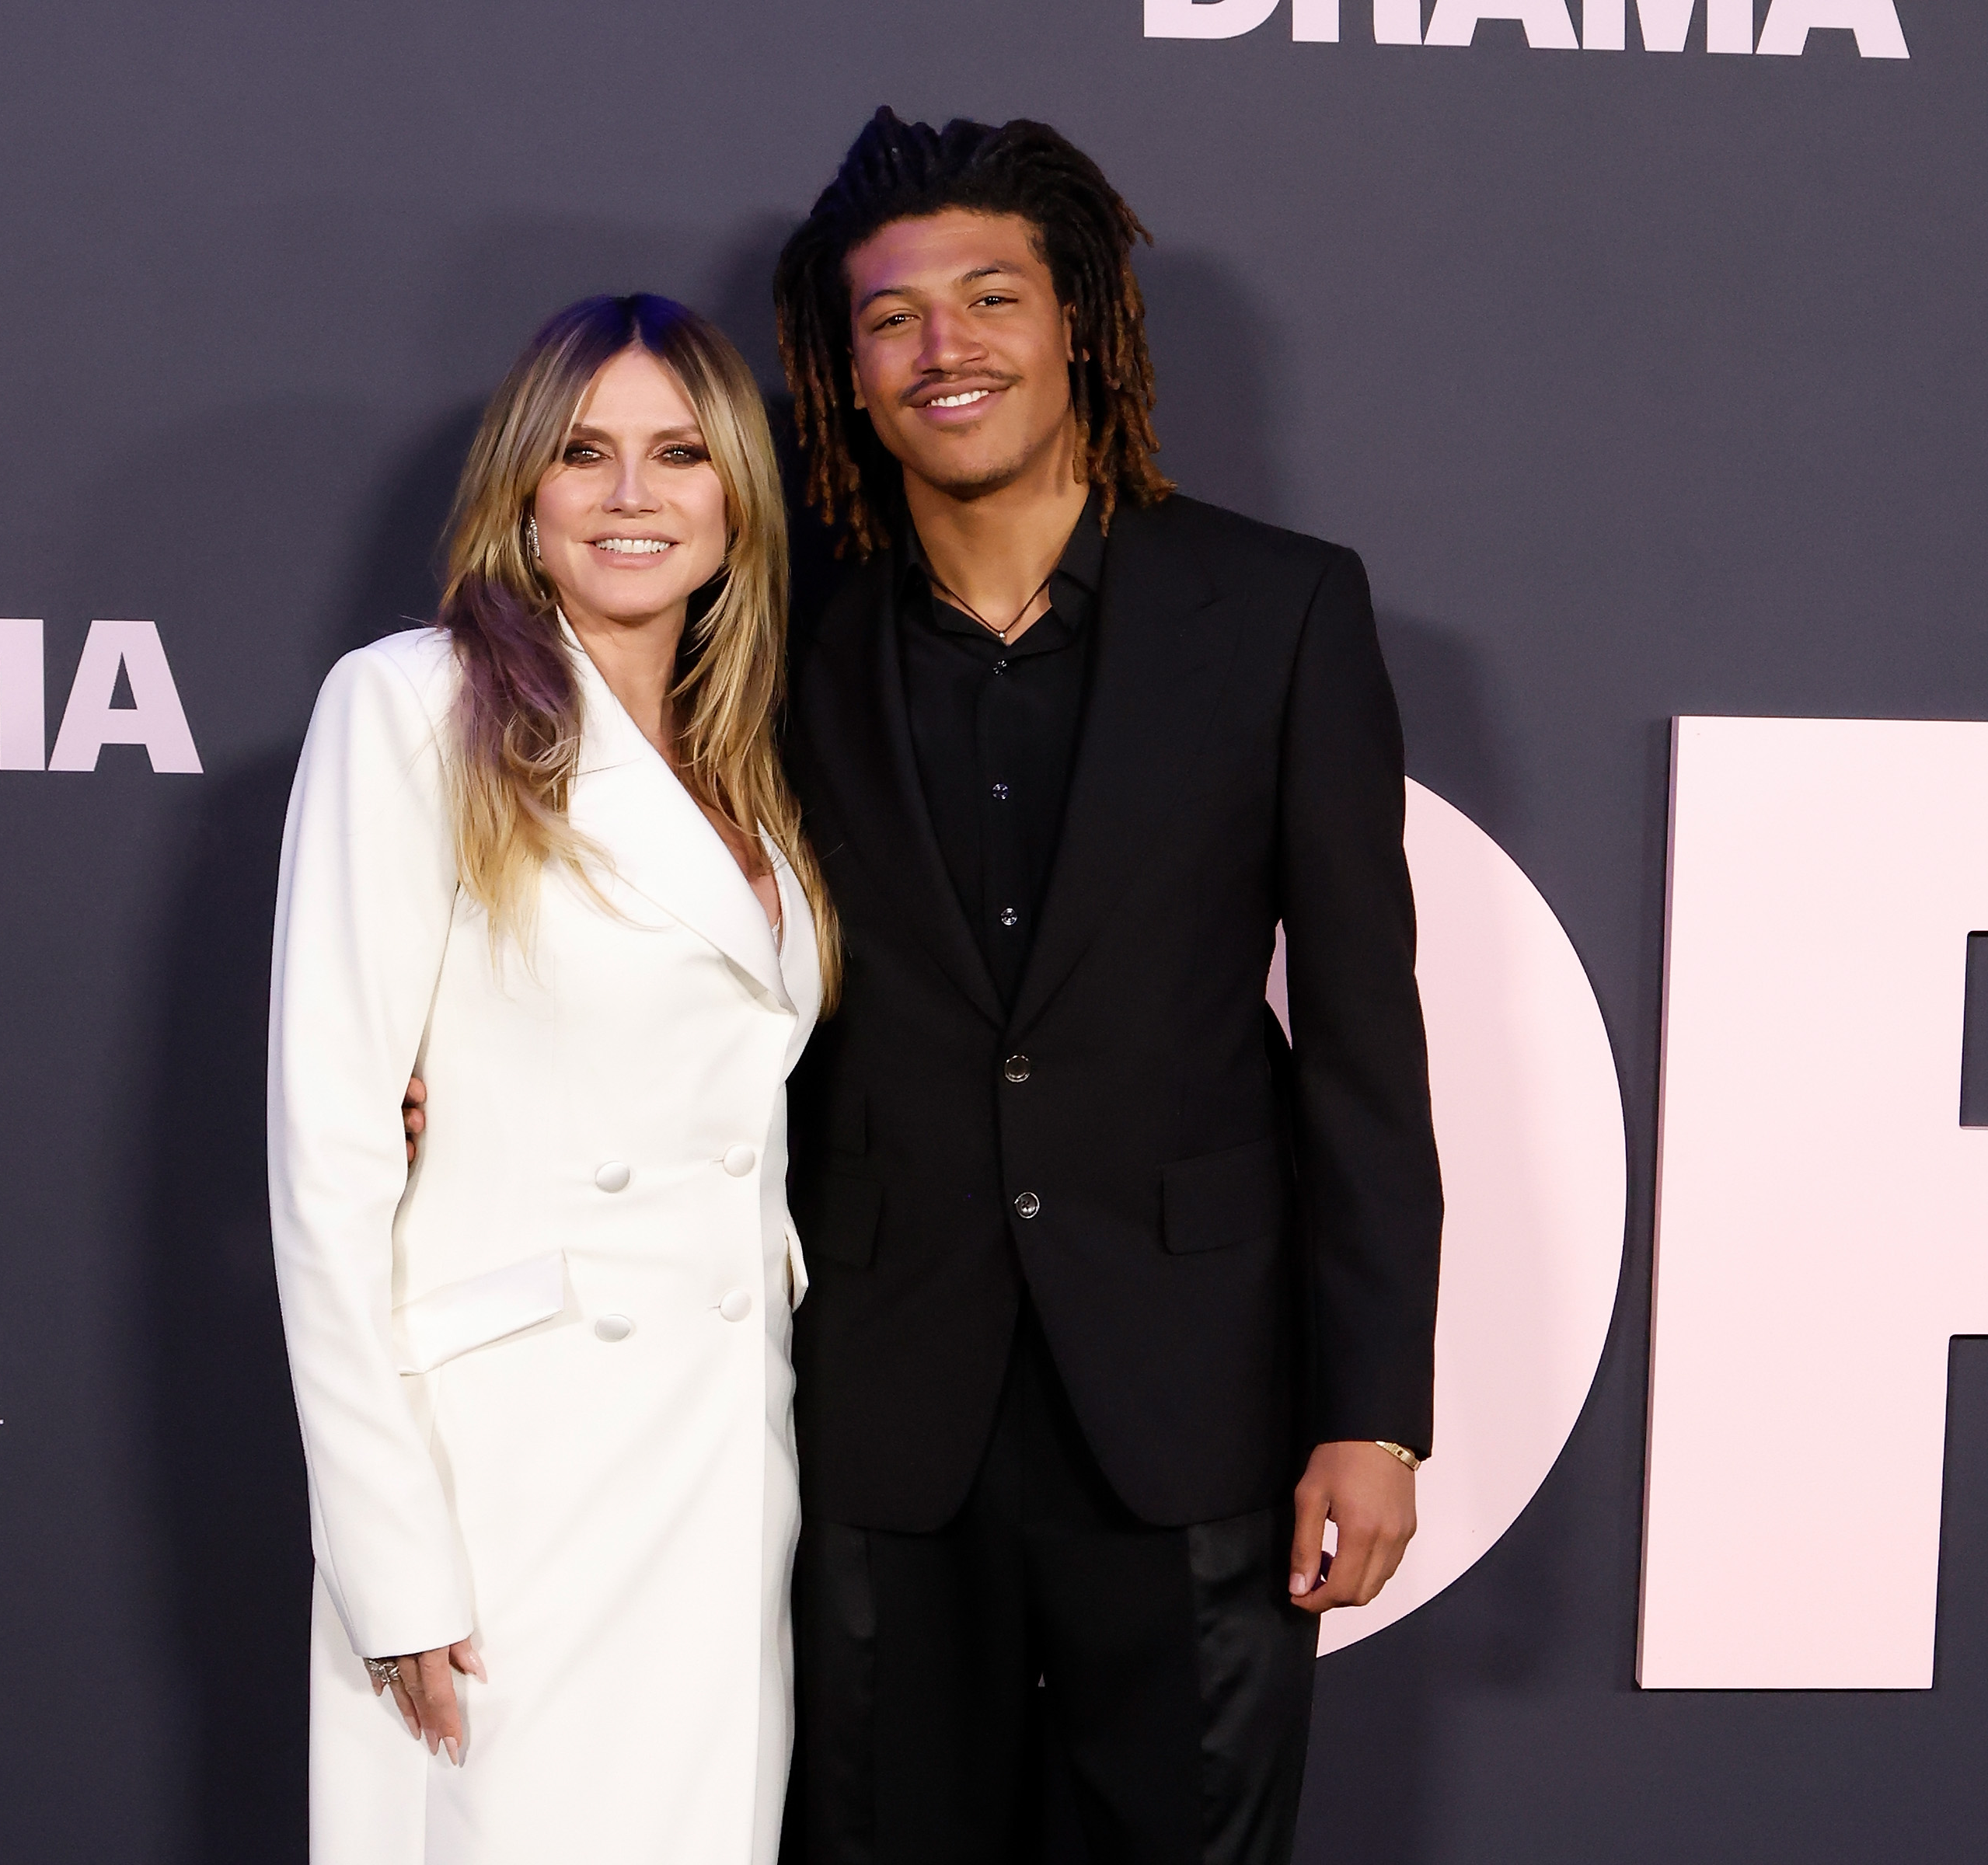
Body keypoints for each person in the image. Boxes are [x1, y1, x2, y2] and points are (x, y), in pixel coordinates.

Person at [769, 110, 1444, 1864]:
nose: (946, 348)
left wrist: (1371, 1412)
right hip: (870, 1403)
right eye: (894, 317)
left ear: (1082, 324)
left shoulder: (1283, 608)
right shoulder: (768, 630)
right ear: (842, 370)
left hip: (1194, 1403)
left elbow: (1366, 1034)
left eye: (991, 297)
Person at [265, 293, 835, 1864]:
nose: (634, 494)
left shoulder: (748, 767)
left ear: (737, 499)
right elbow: (330, 1163)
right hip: (509, 1484)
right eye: (585, 454)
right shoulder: (412, 707)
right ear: (525, 491)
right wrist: (392, 1564)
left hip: (720, 1467)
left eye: (679, 455)